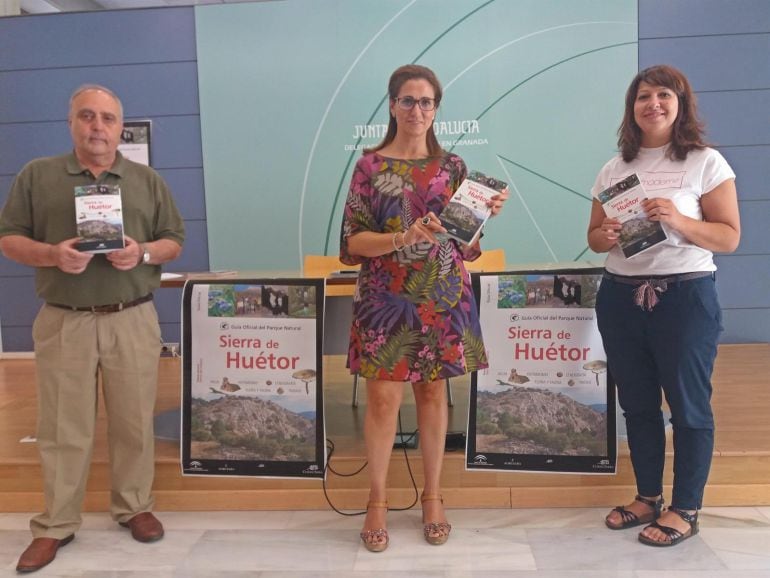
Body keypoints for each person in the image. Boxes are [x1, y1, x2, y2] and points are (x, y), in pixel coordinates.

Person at [0, 84, 185, 573]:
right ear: (71, 123)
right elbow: (10, 239)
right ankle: (56, 524)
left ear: (120, 128)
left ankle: (134, 507)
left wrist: (141, 252)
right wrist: (51, 255)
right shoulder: (38, 176)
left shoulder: (147, 180)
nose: (98, 127)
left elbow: (174, 240)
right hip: (66, 320)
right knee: (62, 429)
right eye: (87, 116)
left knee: (133, 422)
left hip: (132, 317)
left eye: (107, 118)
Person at [339, 64, 508, 552]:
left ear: (437, 109)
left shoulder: (453, 168)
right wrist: (402, 236)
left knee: (434, 397)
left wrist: (481, 220)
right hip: (384, 300)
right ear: (392, 105)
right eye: (408, 101)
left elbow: (466, 247)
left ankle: (433, 497)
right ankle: (376, 501)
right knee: (382, 401)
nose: (417, 110)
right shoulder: (369, 166)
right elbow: (353, 243)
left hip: (441, 294)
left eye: (427, 102)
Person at [587, 65, 740, 547]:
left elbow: (730, 237)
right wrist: (605, 234)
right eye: (643, 96)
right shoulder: (614, 168)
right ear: (631, 109)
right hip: (620, 297)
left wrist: (677, 219)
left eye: (663, 95)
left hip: (685, 297)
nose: (653, 103)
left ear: (681, 103)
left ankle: (686, 507)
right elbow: (592, 239)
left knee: (688, 406)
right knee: (637, 405)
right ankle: (647, 497)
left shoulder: (705, 161)